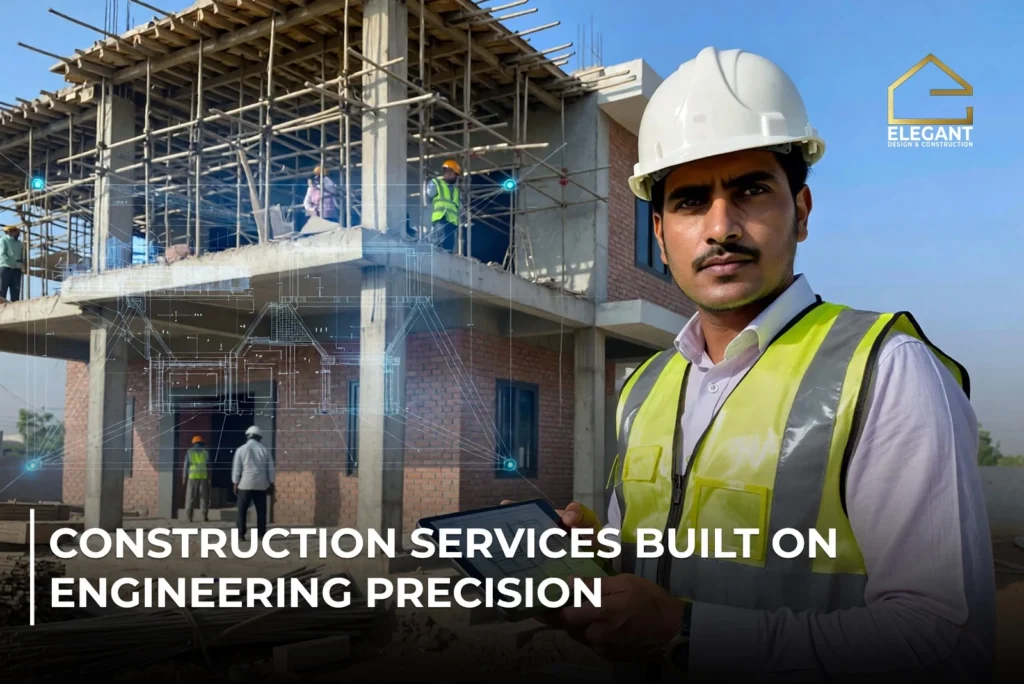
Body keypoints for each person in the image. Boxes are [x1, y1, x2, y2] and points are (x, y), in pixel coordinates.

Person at [537, 46, 996, 681]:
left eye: (750, 191)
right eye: (691, 201)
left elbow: (946, 640)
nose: (721, 227)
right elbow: (661, 577)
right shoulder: (643, 388)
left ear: (801, 213)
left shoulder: (885, 371)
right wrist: (601, 557)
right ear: (661, 232)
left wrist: (690, 633)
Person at [231, 425, 274, 541]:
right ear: (259, 437)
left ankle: (241, 534)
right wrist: (271, 482)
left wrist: (235, 482)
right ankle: (261, 534)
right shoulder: (265, 450)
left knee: (242, 511)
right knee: (261, 511)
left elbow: (237, 468)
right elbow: (270, 468)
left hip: (245, 484)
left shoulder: (241, 449)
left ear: (248, 436)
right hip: (261, 484)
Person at [424, 159, 461, 253]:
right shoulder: (437, 183)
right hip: (441, 217)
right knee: (442, 241)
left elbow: (458, 206)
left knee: (449, 245)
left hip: (452, 221)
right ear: (448, 172)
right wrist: (429, 182)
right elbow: (429, 194)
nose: (455, 178)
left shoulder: (456, 190)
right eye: (454, 175)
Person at [183, 435, 210, 523]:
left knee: (190, 497)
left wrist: (184, 477)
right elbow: (209, 465)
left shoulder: (189, 452)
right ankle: (204, 516)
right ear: (202, 442)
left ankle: (189, 517)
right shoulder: (206, 452)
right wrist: (210, 477)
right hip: (203, 477)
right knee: (204, 497)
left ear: (193, 443)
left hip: (192, 477)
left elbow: (186, 465)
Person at [0, 225, 25, 302]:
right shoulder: (3, 240)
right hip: (5, 267)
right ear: (10, 232)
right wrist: (16, 264)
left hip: (16, 270)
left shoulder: (20, 243)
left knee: (15, 293)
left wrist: (22, 265)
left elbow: (22, 257)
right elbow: (3, 255)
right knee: (2, 291)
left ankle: (15, 311)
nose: (18, 233)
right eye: (17, 232)